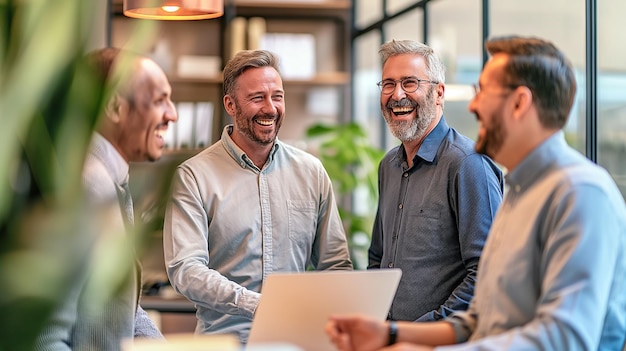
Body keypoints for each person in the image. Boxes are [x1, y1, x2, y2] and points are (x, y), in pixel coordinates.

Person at [326, 35, 626, 351]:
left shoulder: (581, 194)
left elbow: (565, 339)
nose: (472, 105)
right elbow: (481, 317)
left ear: (519, 103)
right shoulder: (520, 192)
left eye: (482, 91)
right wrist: (392, 335)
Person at [162, 49, 353, 344]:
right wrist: (254, 304)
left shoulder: (311, 172)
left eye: (277, 96)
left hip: (296, 342)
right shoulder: (193, 175)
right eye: (257, 98)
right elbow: (186, 269)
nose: (270, 108)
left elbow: (335, 265)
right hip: (224, 343)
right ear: (230, 104)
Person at [35, 47, 178, 350]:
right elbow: (45, 336)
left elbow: (126, 311)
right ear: (114, 106)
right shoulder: (87, 189)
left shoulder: (114, 182)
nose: (172, 114)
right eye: (159, 100)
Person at [368, 39, 503, 322]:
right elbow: (378, 260)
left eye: (410, 83)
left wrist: (424, 331)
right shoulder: (388, 167)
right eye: (388, 84)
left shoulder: (468, 164)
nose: (397, 95)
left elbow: (488, 273)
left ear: (439, 93)